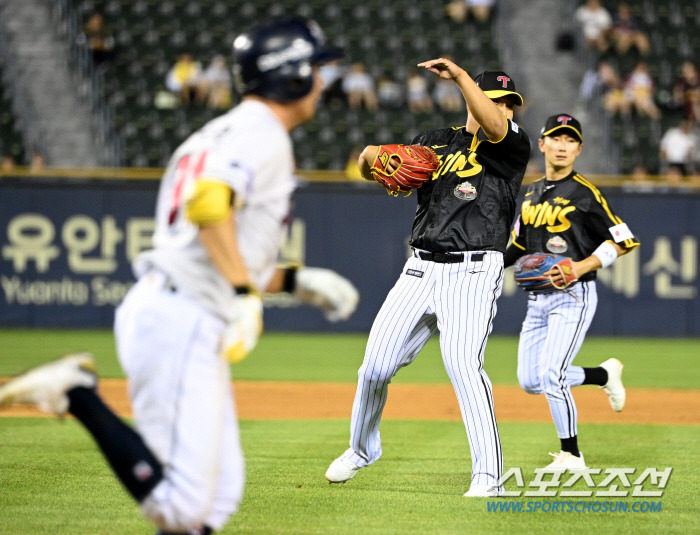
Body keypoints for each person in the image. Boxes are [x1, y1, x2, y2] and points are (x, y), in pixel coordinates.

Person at [0, 18, 359, 535]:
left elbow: (209, 236)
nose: (324, 80)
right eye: (317, 67)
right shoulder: (263, 133)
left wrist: (290, 282)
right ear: (294, 76)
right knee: (186, 506)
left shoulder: (221, 131)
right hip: (180, 317)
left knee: (217, 499)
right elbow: (208, 205)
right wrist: (242, 292)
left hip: (179, 307)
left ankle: (76, 393)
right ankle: (76, 394)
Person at [325, 59, 531, 497]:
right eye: (496, 100)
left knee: (462, 366)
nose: (504, 109)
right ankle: (362, 449)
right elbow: (371, 162)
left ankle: (488, 478)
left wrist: (460, 78)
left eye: (510, 104)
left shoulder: (511, 145)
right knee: (374, 367)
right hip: (419, 268)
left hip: (474, 272)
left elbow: (494, 126)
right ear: (472, 101)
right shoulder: (434, 142)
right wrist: (371, 163)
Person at [504, 114, 640, 470]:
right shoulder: (531, 193)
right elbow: (518, 246)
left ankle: (572, 454)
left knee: (552, 375)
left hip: (573, 296)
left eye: (570, 141)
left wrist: (581, 267)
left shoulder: (586, 193)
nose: (562, 146)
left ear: (579, 149)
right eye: (556, 139)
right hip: (537, 301)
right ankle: (602, 375)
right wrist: (487, 267)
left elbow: (624, 241)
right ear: (543, 144)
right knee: (530, 380)